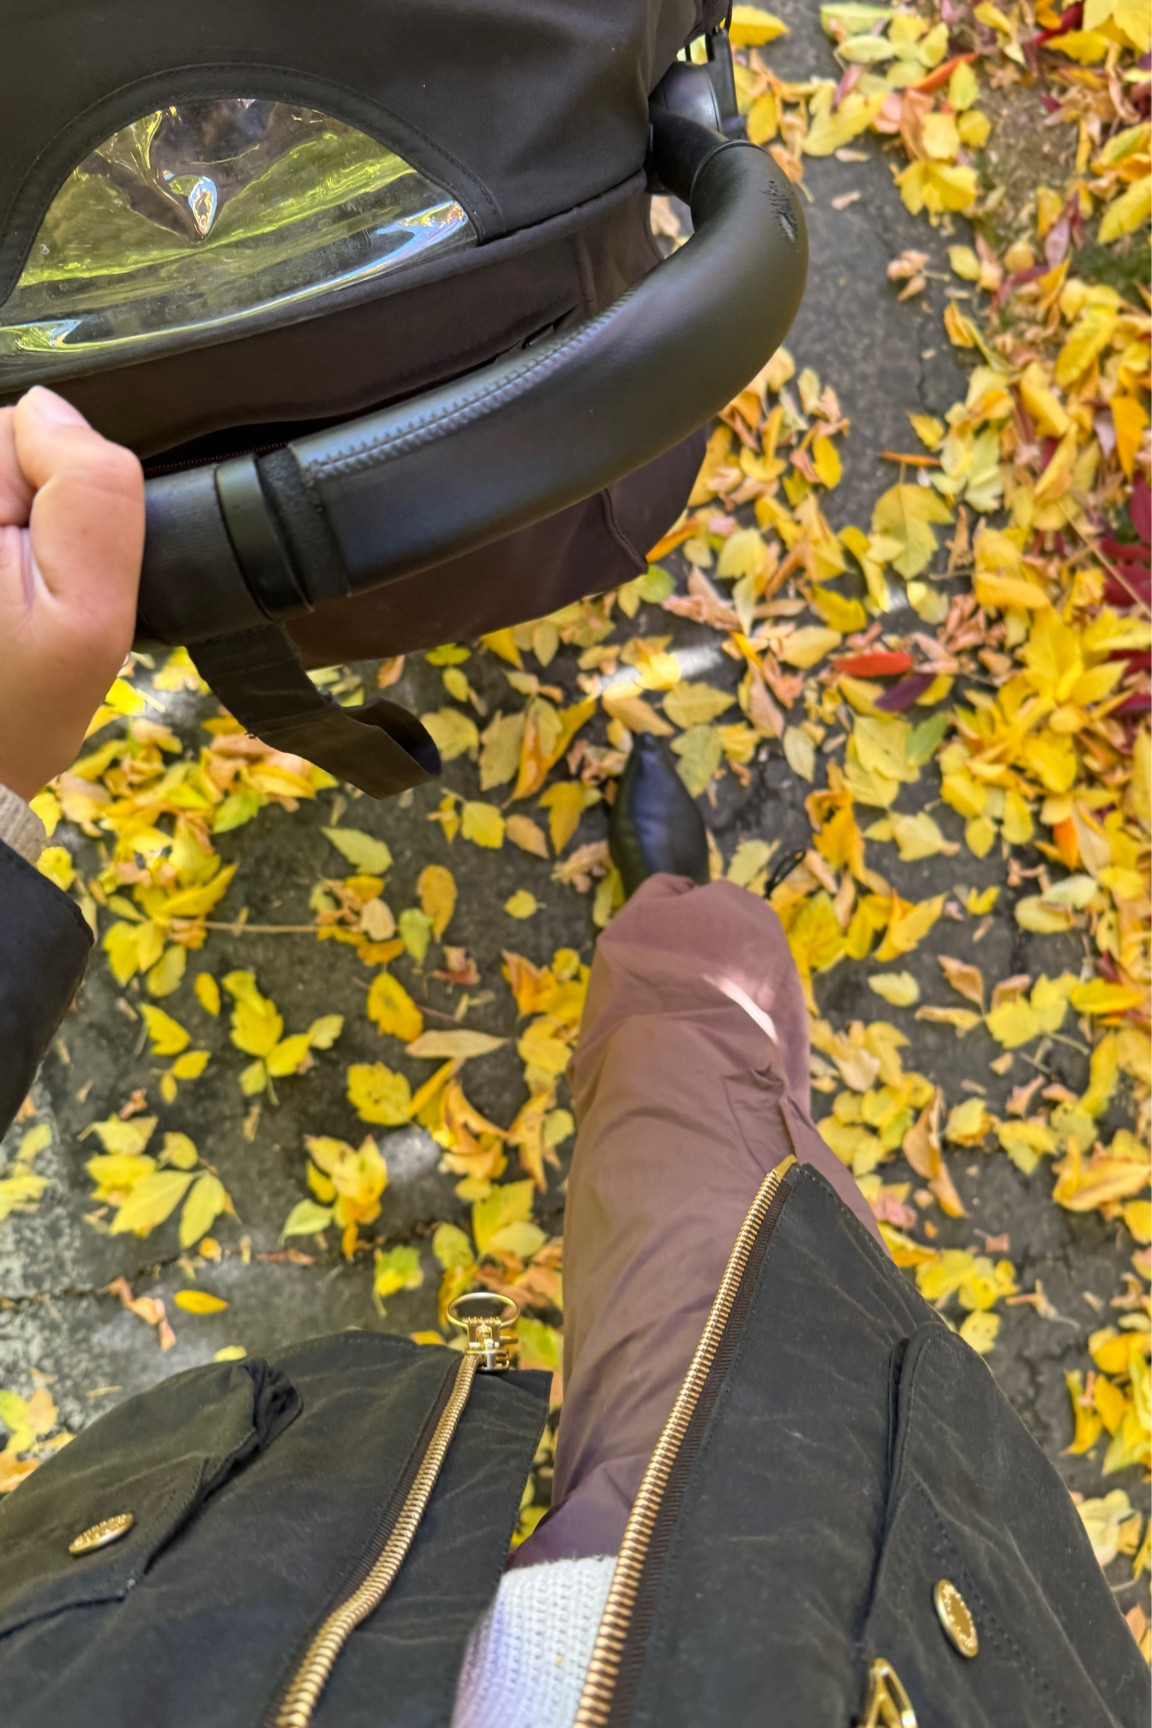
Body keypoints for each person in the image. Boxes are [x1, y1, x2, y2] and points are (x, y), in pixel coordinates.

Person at [0, 389, 1145, 1728]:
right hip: (793, 1600)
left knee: (677, 1114)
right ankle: (678, 918)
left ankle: (675, 924)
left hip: (205, 1588)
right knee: (701, 1069)